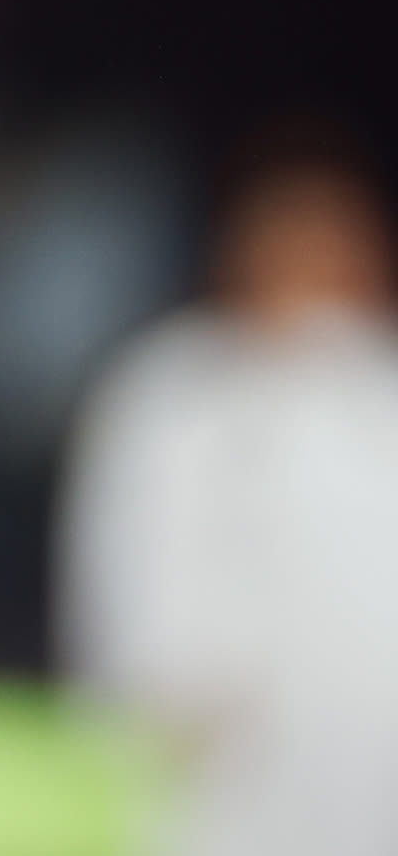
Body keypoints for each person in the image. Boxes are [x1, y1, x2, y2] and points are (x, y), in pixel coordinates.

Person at [58, 124, 398, 856]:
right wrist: (160, 671)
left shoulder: (381, 390)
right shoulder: (179, 387)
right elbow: (132, 541)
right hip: (229, 735)